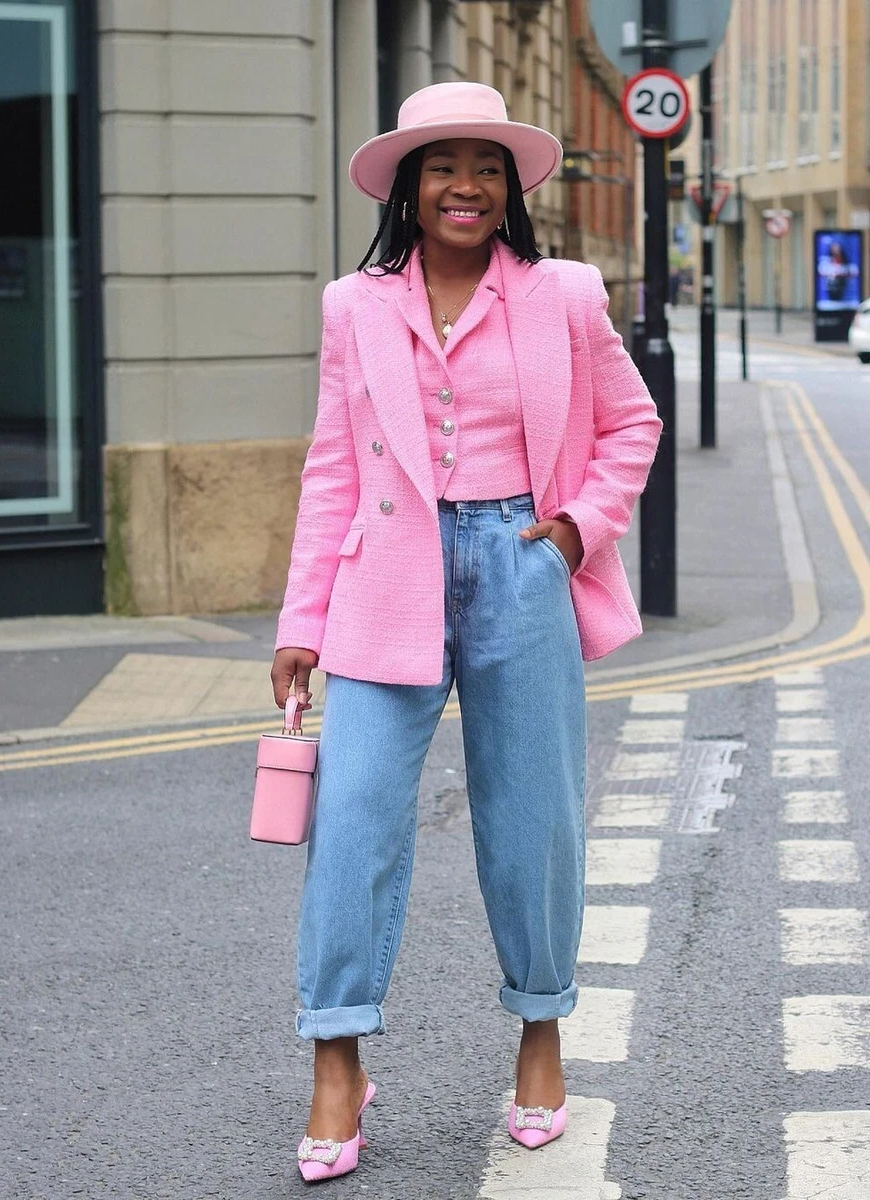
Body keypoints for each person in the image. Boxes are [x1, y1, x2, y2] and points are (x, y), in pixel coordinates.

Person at [270, 82, 661, 1183]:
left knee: (533, 814)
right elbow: (334, 466)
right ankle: (337, 1059)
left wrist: (580, 528)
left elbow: (632, 422)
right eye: (442, 166)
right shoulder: (355, 305)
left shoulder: (564, 295)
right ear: (408, 184)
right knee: (349, 819)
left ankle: (541, 1035)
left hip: (521, 563)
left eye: (485, 167)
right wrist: (302, 617)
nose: (466, 186)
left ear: (509, 186)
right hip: (383, 575)